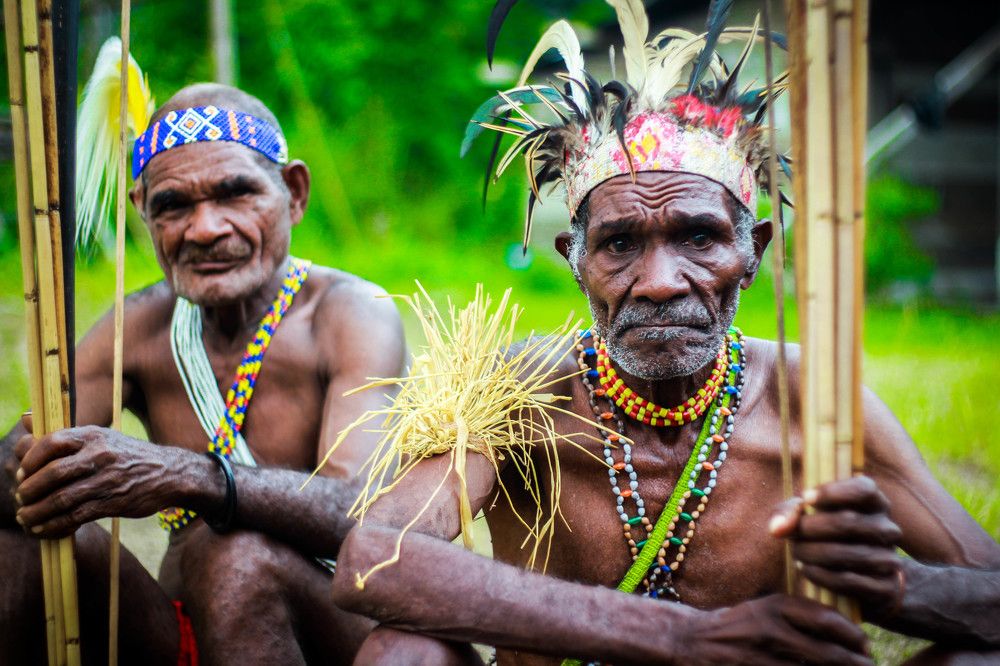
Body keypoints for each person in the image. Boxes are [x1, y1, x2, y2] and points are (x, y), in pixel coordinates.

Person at [328, 4, 1000, 665]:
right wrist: (680, 637)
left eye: (699, 237)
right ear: (574, 259)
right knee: (403, 652)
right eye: (619, 244)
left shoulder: (813, 401)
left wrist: (893, 587)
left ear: (755, 250)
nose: (658, 281)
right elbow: (371, 561)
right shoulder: (518, 393)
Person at [1, 83, 406, 664]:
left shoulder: (348, 315)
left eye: (235, 194)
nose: (205, 229)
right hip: (179, 629)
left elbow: (362, 514)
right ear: (142, 210)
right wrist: (27, 470)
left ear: (293, 193)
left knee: (235, 555)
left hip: (327, 630)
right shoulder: (138, 327)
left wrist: (183, 476)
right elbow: (24, 465)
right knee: (23, 544)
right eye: (173, 206)